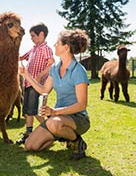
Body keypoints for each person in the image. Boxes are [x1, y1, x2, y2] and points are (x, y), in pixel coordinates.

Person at [19, 28, 90, 160]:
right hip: (57, 119)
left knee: (53, 123)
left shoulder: (79, 71)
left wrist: (55, 112)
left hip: (78, 119)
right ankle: (62, 134)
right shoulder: (55, 68)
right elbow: (44, 90)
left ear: (66, 47)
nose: (54, 45)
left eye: (57, 43)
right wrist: (26, 75)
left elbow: (82, 104)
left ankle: (76, 141)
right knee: (30, 145)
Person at [16, 22, 54, 145]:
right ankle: (28, 133)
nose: (31, 38)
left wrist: (40, 75)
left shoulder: (46, 49)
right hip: (27, 84)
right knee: (28, 110)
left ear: (41, 34)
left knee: (36, 111)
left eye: (33, 36)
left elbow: (51, 64)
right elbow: (21, 57)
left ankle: (52, 130)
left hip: (37, 86)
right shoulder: (33, 49)